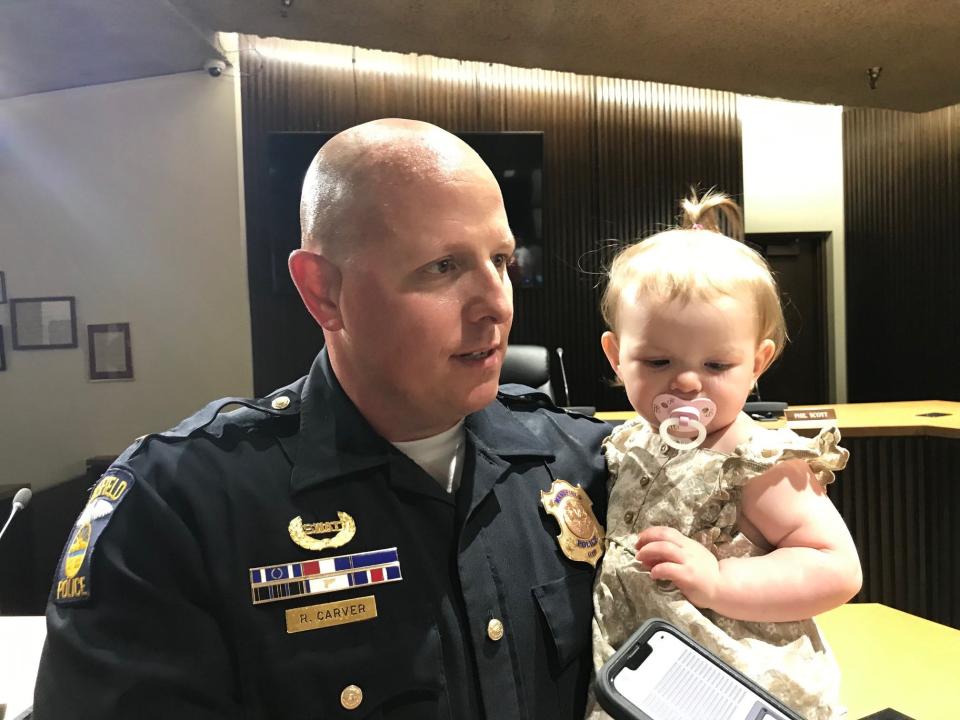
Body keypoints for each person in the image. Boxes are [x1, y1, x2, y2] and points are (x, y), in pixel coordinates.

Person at [34, 119, 610, 719]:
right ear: (324, 293)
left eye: (500, 260)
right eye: (443, 267)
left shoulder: (582, 464)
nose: (497, 303)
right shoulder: (179, 507)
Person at [589, 192, 863, 720]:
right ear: (616, 357)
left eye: (716, 364)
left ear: (758, 362)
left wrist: (720, 580)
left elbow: (836, 568)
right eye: (658, 359)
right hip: (639, 678)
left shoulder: (757, 461)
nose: (687, 381)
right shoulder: (629, 444)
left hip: (731, 683)